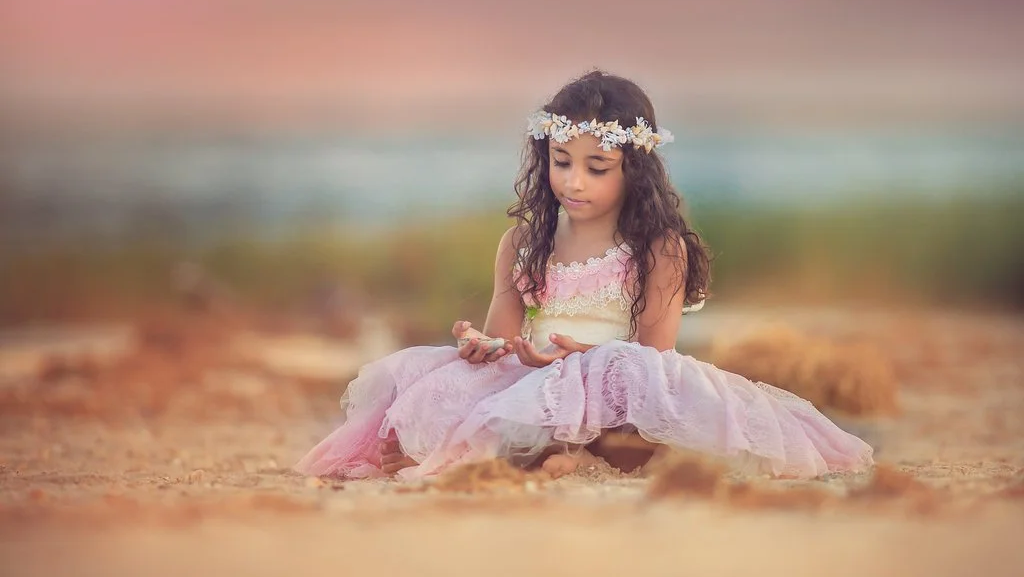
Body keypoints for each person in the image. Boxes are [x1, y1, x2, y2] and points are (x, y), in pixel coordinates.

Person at [295, 71, 874, 480]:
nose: (573, 182)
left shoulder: (658, 248)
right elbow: (506, 339)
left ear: (634, 171)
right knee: (441, 391)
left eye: (597, 168)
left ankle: (570, 456)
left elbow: (656, 356)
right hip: (528, 377)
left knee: (627, 394)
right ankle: (527, 454)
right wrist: (482, 346)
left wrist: (585, 355)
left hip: (618, 376)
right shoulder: (523, 243)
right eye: (560, 162)